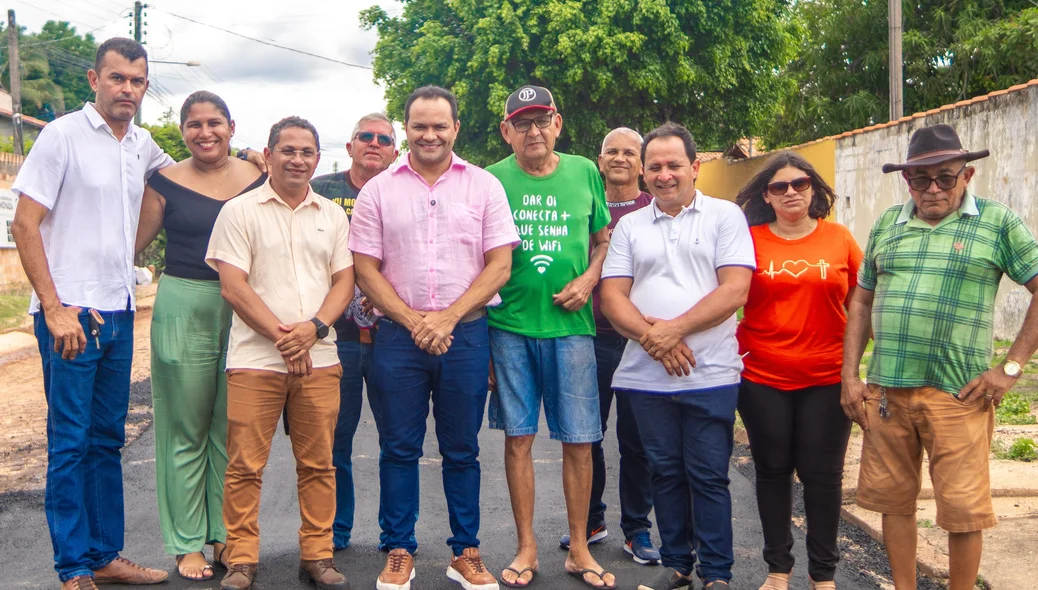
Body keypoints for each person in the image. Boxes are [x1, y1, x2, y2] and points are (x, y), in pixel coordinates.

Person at [841, 124, 1038, 590]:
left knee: (963, 510)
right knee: (893, 501)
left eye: (944, 177)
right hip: (888, 390)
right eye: (920, 179)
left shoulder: (997, 222)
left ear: (966, 175)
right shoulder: (889, 222)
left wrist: (1010, 368)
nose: (932, 189)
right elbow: (862, 301)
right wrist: (850, 375)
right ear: (906, 180)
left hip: (960, 394)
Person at [10, 37, 176, 590]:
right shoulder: (62, 137)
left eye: (137, 80)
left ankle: (106, 555)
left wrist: (251, 158)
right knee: (70, 440)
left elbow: (187, 179)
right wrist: (54, 310)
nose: (127, 88)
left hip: (120, 310)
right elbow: (24, 224)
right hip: (71, 314)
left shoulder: (143, 145)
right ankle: (73, 566)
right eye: (117, 78)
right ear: (94, 79)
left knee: (108, 438)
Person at [350, 85, 518, 590]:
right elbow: (365, 267)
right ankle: (399, 548)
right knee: (398, 447)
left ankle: (465, 551)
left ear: (455, 129)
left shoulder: (484, 186)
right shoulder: (379, 189)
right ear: (407, 129)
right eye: (419, 125)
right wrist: (414, 319)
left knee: (461, 449)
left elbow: (500, 265)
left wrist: (446, 317)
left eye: (439, 125)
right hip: (398, 339)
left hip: (464, 335)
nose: (429, 134)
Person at [600, 122, 755, 590]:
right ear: (645, 174)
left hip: (711, 373)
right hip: (645, 378)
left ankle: (717, 573)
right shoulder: (629, 225)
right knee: (664, 472)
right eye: (656, 167)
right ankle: (679, 565)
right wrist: (655, 340)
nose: (664, 175)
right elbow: (612, 297)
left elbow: (734, 289)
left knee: (708, 475)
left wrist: (674, 330)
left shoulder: (725, 217)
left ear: (695, 167)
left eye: (673, 165)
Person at [206, 116, 353, 590]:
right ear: (268, 155)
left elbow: (343, 281)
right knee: (245, 466)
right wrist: (283, 337)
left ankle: (319, 555)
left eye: (306, 151)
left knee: (319, 465)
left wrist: (313, 329)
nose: (297, 159)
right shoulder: (239, 212)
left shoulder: (331, 216)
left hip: (320, 359)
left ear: (316, 158)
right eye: (287, 150)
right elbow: (233, 286)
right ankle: (242, 559)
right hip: (254, 360)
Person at [485, 85, 615, 590]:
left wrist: (589, 278)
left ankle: (580, 548)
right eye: (522, 123)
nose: (533, 131)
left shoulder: (585, 171)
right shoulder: (491, 179)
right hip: (509, 329)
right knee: (518, 439)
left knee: (580, 442)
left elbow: (603, 240)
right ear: (507, 131)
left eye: (542, 121)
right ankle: (526, 547)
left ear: (557, 123)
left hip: (573, 332)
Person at [134, 90, 266, 582]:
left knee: (231, 428)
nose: (205, 132)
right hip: (184, 303)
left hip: (246, 304)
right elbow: (132, 244)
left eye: (215, 123)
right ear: (184, 130)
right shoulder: (162, 181)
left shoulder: (259, 176)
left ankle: (227, 535)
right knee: (185, 427)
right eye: (194, 124)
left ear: (232, 127)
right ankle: (187, 541)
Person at [734, 151, 862, 590]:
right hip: (762, 376)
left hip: (828, 378)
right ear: (765, 196)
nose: (790, 192)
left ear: (814, 189)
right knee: (772, 469)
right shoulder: (748, 241)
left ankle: (823, 574)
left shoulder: (840, 239)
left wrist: (859, 370)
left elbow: (861, 305)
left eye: (800, 184)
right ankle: (778, 570)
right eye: (779, 186)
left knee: (822, 476)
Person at [560, 127, 659, 565]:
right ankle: (591, 520)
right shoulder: (584, 206)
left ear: (641, 164)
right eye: (611, 151)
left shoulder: (653, 208)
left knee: (637, 440)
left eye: (629, 153)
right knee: (588, 437)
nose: (619, 158)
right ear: (599, 161)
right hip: (589, 336)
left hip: (640, 340)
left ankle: (637, 529)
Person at [310, 112, 399, 552]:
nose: (374, 143)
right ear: (349, 146)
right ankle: (335, 530)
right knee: (335, 442)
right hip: (334, 338)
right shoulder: (321, 189)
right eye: (365, 136)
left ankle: (396, 533)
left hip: (392, 339)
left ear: (395, 152)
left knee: (396, 442)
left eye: (384, 138)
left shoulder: (403, 191)